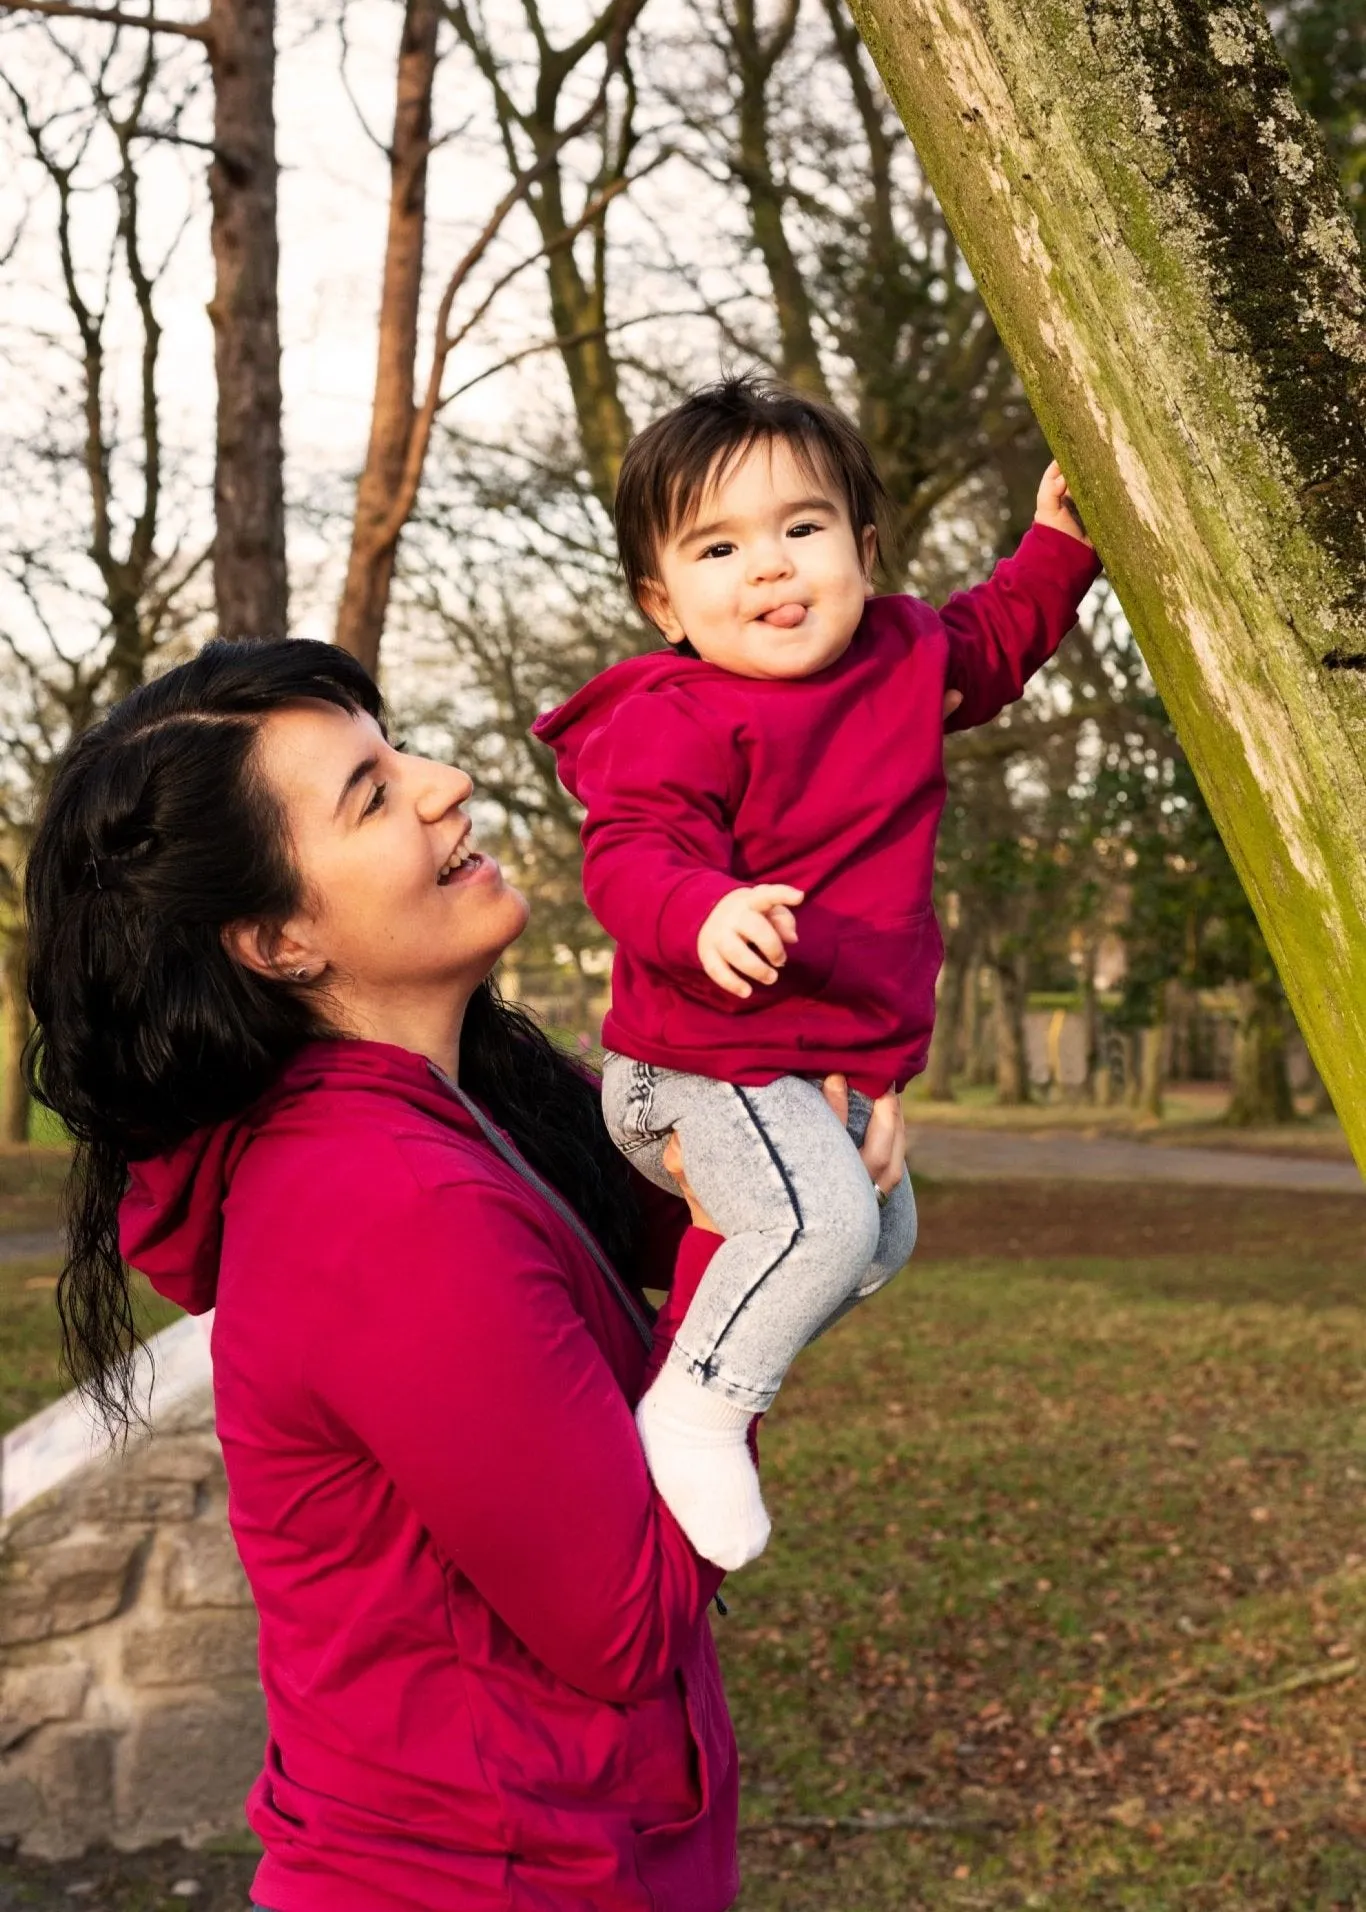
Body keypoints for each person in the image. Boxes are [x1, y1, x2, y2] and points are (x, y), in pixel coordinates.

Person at [22, 637, 905, 1912]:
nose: (447, 782)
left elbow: (699, 1190)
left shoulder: (471, 1100)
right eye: (373, 793)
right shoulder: (380, 1205)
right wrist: (750, 1235)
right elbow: (626, 1616)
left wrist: (793, 1107)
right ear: (276, 937)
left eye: (401, 749)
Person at [534, 376, 1101, 1572]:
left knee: (876, 1242)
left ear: (863, 549)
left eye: (803, 528)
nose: (772, 568)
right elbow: (630, 852)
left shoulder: (901, 656)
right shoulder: (672, 716)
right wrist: (702, 909)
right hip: (689, 1062)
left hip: (807, 1072)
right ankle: (696, 1408)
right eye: (720, 546)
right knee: (821, 1223)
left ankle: (689, 1356)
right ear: (663, 601)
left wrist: (1059, 542)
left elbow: (996, 641)